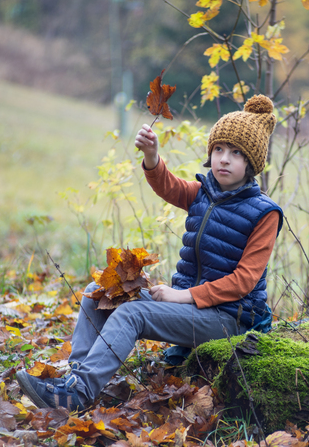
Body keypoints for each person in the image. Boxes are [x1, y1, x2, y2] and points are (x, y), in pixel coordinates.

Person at [16, 94, 284, 412]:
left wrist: (182, 296)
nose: (224, 159)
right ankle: (74, 383)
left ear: (251, 164)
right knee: (99, 292)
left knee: (133, 313)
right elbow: (168, 186)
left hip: (231, 319)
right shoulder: (203, 193)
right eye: (219, 149)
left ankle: (80, 393)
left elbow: (244, 281)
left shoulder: (264, 213)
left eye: (236, 153)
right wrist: (152, 156)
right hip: (191, 308)